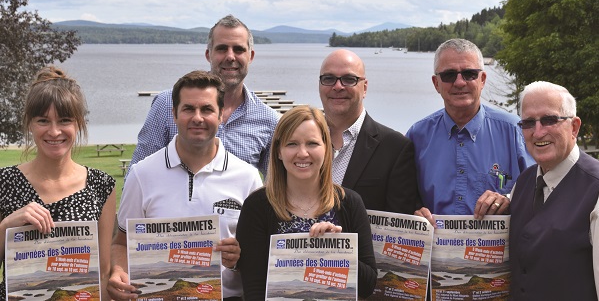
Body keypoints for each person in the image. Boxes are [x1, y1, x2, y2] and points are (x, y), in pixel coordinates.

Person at [108, 70, 262, 301]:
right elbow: (120, 243)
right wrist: (118, 271)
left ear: (221, 115)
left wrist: (239, 258)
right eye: (188, 108)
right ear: (174, 114)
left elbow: (259, 256)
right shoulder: (142, 174)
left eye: (207, 109)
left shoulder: (248, 178)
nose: (197, 118)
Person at [236, 105, 377, 300]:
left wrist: (339, 249)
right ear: (278, 151)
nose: (302, 153)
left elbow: (368, 286)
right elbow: (254, 290)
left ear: (326, 149)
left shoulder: (349, 202)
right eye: (292, 144)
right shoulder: (257, 206)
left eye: (312, 143)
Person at [0, 66, 116, 301]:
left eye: (64, 120)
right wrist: (6, 226)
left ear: (78, 123)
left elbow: (103, 272)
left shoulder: (101, 185)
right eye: (43, 120)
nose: (54, 131)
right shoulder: (4, 182)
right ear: (30, 124)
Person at [129, 14, 279, 175]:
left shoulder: (269, 121)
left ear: (251, 57)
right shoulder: (167, 103)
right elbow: (138, 175)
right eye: (222, 49)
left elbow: (276, 187)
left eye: (239, 49)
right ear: (208, 54)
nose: (230, 56)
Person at [406, 38, 534, 224]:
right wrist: (414, 212)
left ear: (482, 79)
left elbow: (540, 191)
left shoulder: (515, 132)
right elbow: (404, 199)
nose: (459, 82)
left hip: (498, 251)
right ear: (436, 83)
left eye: (469, 74)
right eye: (449, 75)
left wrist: (508, 199)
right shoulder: (417, 136)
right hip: (436, 250)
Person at [509, 81, 599, 300]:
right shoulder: (522, 182)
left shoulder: (597, 189)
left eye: (549, 120)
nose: (538, 133)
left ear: (575, 127)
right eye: (528, 123)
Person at [319, 49, 418, 213]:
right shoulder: (299, 143)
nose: (338, 86)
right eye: (328, 79)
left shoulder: (395, 148)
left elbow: (398, 226)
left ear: (364, 88)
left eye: (349, 79)